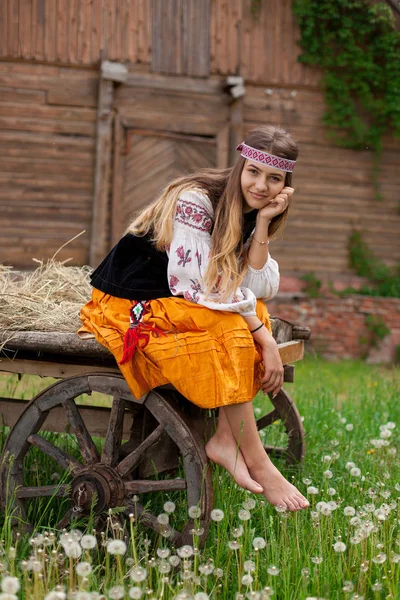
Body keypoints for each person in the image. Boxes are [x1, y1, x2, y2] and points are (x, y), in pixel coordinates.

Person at [79, 124, 309, 512]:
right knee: (236, 326)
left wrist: (265, 223)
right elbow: (200, 283)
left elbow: (262, 284)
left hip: (183, 298)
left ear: (285, 184)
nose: (261, 185)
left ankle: (224, 434)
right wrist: (264, 339)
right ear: (240, 167)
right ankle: (260, 462)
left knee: (255, 315)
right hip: (133, 301)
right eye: (253, 172)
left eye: (274, 179)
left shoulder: (253, 210)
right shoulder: (195, 199)